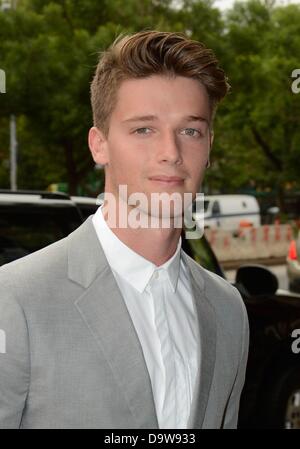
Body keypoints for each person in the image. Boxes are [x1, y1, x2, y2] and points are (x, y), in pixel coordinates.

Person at [0, 30, 249, 429]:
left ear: (209, 146)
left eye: (190, 130)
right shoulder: (14, 299)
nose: (170, 152)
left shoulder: (228, 309)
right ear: (99, 145)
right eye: (143, 129)